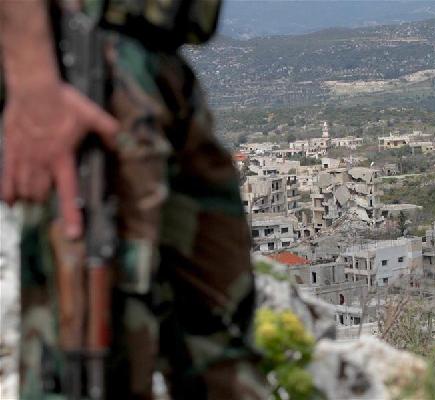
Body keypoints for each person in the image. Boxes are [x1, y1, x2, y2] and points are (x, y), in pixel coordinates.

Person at [0, 0, 266, 398]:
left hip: (160, 64)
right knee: (95, 356)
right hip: (86, 65)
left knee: (223, 350)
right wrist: (33, 80)